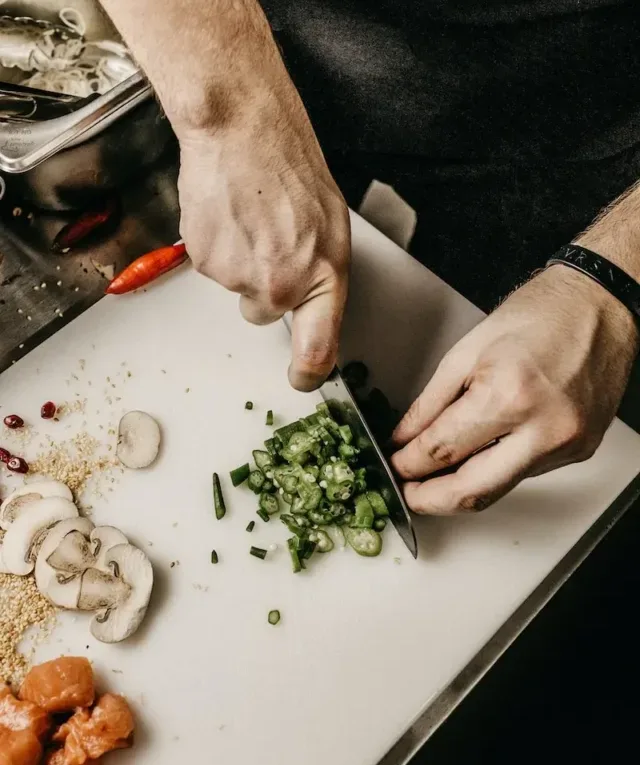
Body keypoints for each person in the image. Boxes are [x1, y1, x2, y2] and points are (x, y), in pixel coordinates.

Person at [101, 0, 640, 516]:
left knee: (515, 397)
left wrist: (613, 281)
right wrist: (224, 114)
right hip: (261, 47)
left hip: (589, 137)